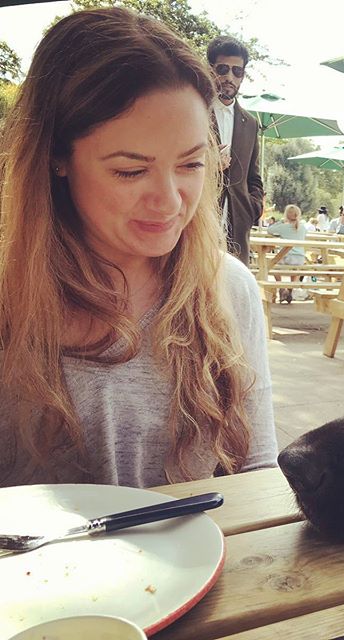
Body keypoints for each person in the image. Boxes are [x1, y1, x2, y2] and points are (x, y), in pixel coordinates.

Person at [0, 7, 277, 488]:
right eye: (131, 170)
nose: (170, 202)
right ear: (56, 158)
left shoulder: (229, 289)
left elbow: (257, 474)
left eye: (191, 165)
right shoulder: (9, 296)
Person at [207, 35, 263, 265]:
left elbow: (254, 177)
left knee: (235, 294)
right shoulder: (194, 111)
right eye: (223, 69)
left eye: (237, 71)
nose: (229, 77)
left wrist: (253, 208)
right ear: (210, 69)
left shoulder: (250, 123)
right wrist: (208, 163)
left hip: (239, 226)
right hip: (200, 219)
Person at [267, 205, 307, 303]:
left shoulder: (283, 227)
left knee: (272, 265)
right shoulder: (302, 227)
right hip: (300, 258)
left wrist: (281, 221)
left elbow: (270, 230)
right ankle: (290, 288)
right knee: (296, 269)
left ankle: (281, 287)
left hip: (286, 256)